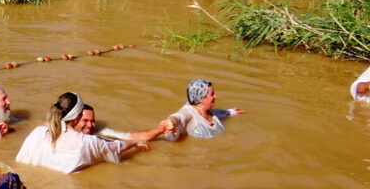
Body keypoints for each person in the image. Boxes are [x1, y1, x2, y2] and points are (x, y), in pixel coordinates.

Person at [15, 92, 166, 174]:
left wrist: (158, 130)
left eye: (92, 121)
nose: (89, 124)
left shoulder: (39, 132)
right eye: (84, 118)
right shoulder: (88, 143)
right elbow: (119, 147)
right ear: (78, 116)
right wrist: (135, 143)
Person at [162, 79, 244, 141]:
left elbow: (224, 113)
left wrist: (232, 111)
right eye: (212, 94)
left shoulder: (211, 112)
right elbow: (178, 117)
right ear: (201, 98)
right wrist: (171, 122)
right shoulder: (189, 113)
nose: (215, 96)